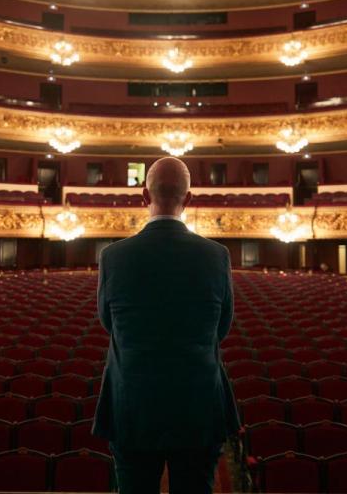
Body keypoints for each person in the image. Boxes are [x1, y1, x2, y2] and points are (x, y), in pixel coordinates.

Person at [92, 156, 240, 494]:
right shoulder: (216, 255)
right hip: (198, 402)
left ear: (144, 196)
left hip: (133, 403)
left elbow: (108, 323)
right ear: (188, 200)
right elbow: (222, 327)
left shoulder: (113, 256)